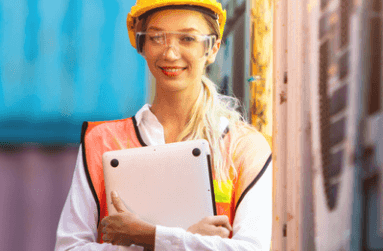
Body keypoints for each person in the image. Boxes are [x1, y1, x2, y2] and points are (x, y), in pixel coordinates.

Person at [55, 0, 272, 250]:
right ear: (142, 45)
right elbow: (69, 247)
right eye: (157, 37)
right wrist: (184, 239)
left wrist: (145, 235)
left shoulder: (243, 148)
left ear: (212, 48)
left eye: (188, 39)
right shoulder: (101, 142)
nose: (170, 53)